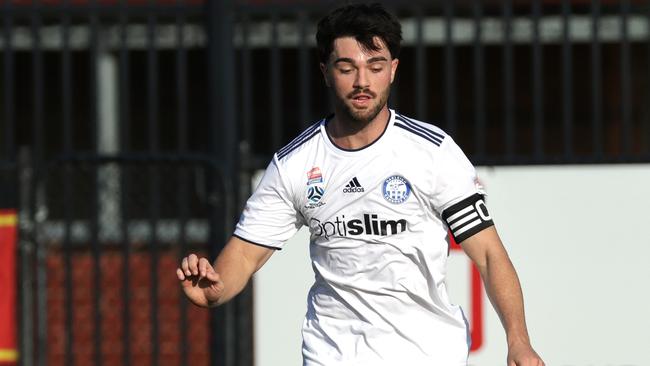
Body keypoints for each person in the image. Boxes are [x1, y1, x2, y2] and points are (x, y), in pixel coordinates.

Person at [177, 2, 545, 365]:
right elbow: (244, 254)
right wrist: (215, 289)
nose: (362, 82)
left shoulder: (432, 153)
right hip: (333, 355)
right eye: (347, 67)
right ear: (325, 71)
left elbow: (489, 254)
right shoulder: (295, 165)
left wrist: (519, 341)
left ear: (393, 70)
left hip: (427, 354)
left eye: (375, 66)